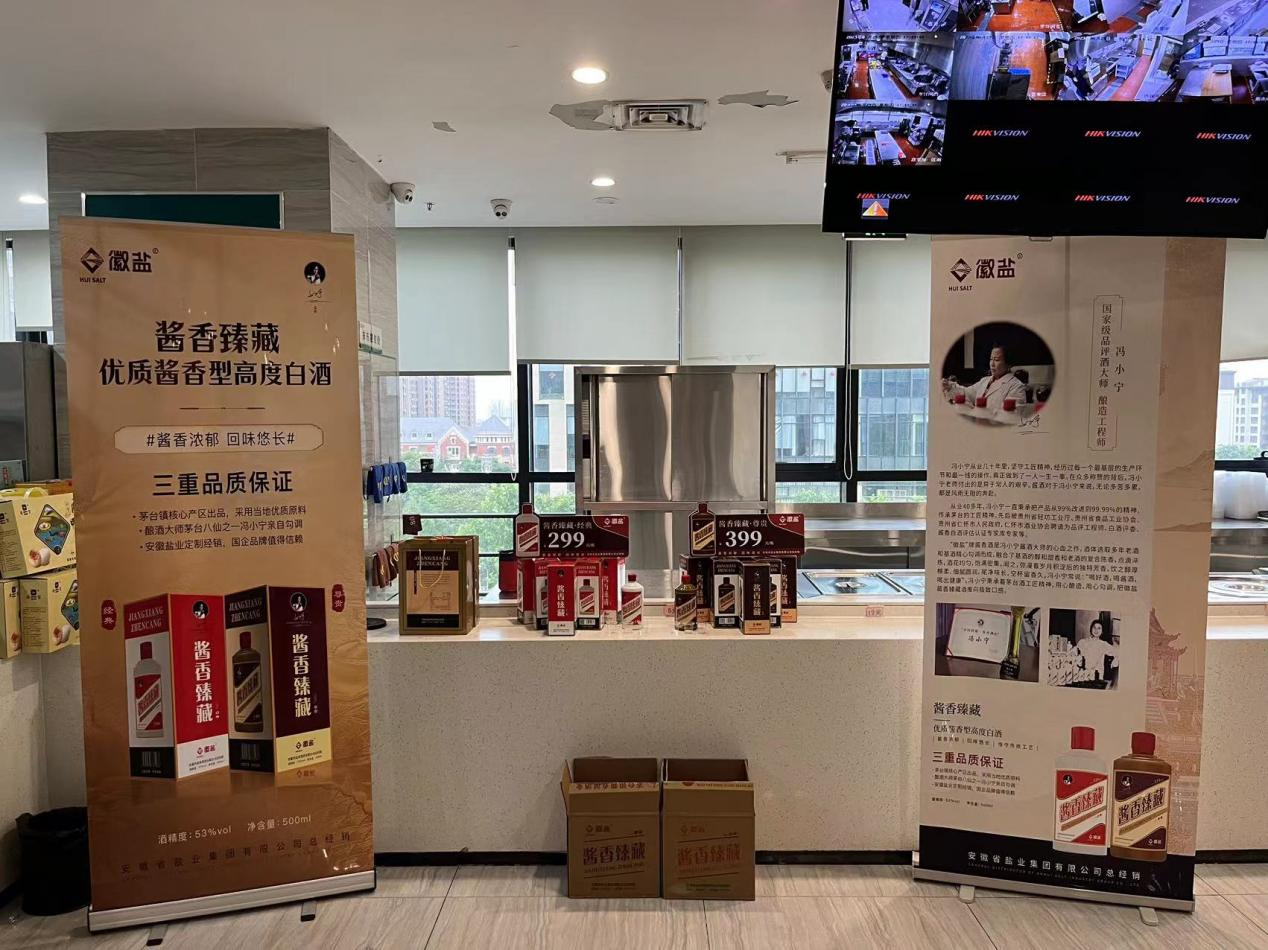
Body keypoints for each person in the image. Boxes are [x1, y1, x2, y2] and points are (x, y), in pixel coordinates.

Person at [943, 344, 1027, 410]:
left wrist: (976, 412)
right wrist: (949, 387)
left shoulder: (1016, 387)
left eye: (996, 360)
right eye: (991, 359)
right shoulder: (985, 381)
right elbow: (966, 393)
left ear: (1008, 364)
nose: (992, 364)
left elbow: (1011, 416)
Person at [1076, 618, 1118, 686]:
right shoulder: (1082, 642)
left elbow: (1117, 652)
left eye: (1099, 628)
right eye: (1094, 627)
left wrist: (1115, 660)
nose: (1096, 630)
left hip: (1097, 677)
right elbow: (1074, 654)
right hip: (1083, 675)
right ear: (1091, 629)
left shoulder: (1103, 644)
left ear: (1102, 631)